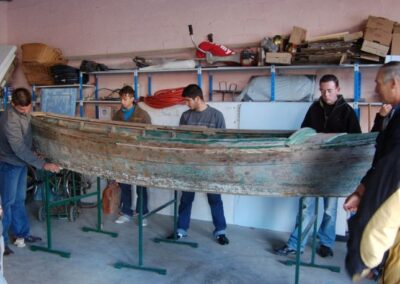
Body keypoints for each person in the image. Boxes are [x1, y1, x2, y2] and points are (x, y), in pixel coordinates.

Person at [274, 74, 361, 257]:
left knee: (330, 209)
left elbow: (356, 141)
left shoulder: (347, 112)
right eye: (322, 91)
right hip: (311, 167)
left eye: (329, 90)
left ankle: (326, 243)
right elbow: (303, 133)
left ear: (338, 89)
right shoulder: (314, 108)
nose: (326, 95)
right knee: (306, 207)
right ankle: (295, 245)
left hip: (334, 169)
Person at [344, 62, 400, 283]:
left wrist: (361, 260)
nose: (376, 89)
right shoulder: (394, 116)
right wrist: (362, 189)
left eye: (378, 83)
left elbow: (388, 185)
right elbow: (383, 157)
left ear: (394, 83)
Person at [0, 88, 60, 255]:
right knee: (7, 203)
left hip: (20, 163)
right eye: (22, 109)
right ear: (13, 104)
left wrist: (35, 150)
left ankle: (22, 234)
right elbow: (18, 148)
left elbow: (26, 137)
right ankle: (2, 242)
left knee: (20, 199)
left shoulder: (24, 112)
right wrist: (43, 165)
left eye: (28, 108)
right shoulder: (9, 120)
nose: (26, 111)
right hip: (9, 164)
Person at [168, 84, 229, 245]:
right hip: (190, 165)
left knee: (215, 199)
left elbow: (222, 143)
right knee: (186, 198)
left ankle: (220, 231)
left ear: (197, 98)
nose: (186, 104)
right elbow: (181, 141)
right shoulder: (186, 116)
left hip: (210, 166)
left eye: (188, 100)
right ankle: (181, 230)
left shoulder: (217, 116)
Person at [113, 85, 151, 225]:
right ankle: (126, 212)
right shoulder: (117, 115)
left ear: (132, 99)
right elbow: (113, 135)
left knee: (141, 186)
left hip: (139, 155)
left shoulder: (143, 115)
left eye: (126, 99)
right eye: (122, 99)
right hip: (123, 155)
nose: (123, 102)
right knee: (124, 186)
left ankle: (143, 214)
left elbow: (149, 137)